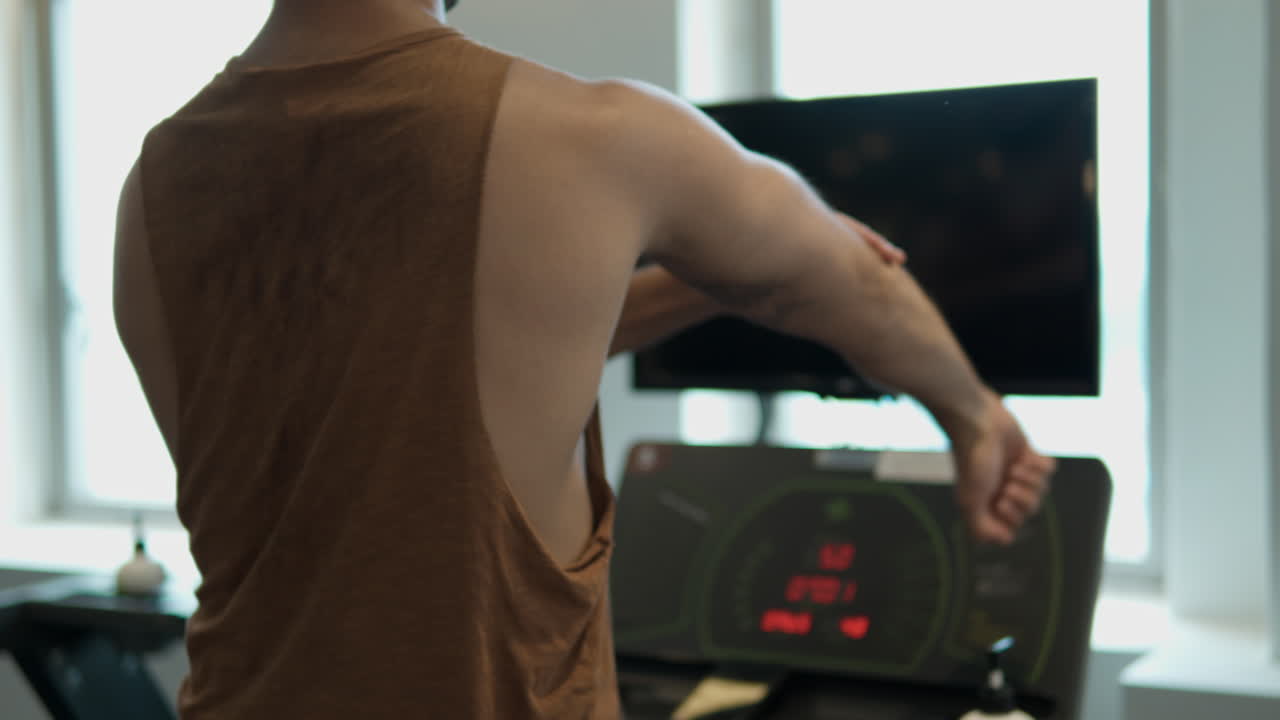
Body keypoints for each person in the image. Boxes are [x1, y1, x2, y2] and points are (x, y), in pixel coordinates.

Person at [112, 0, 1055, 717]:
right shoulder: (587, 135)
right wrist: (977, 417)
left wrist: (701, 285)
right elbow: (852, 281)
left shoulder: (152, 188)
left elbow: (432, 357)